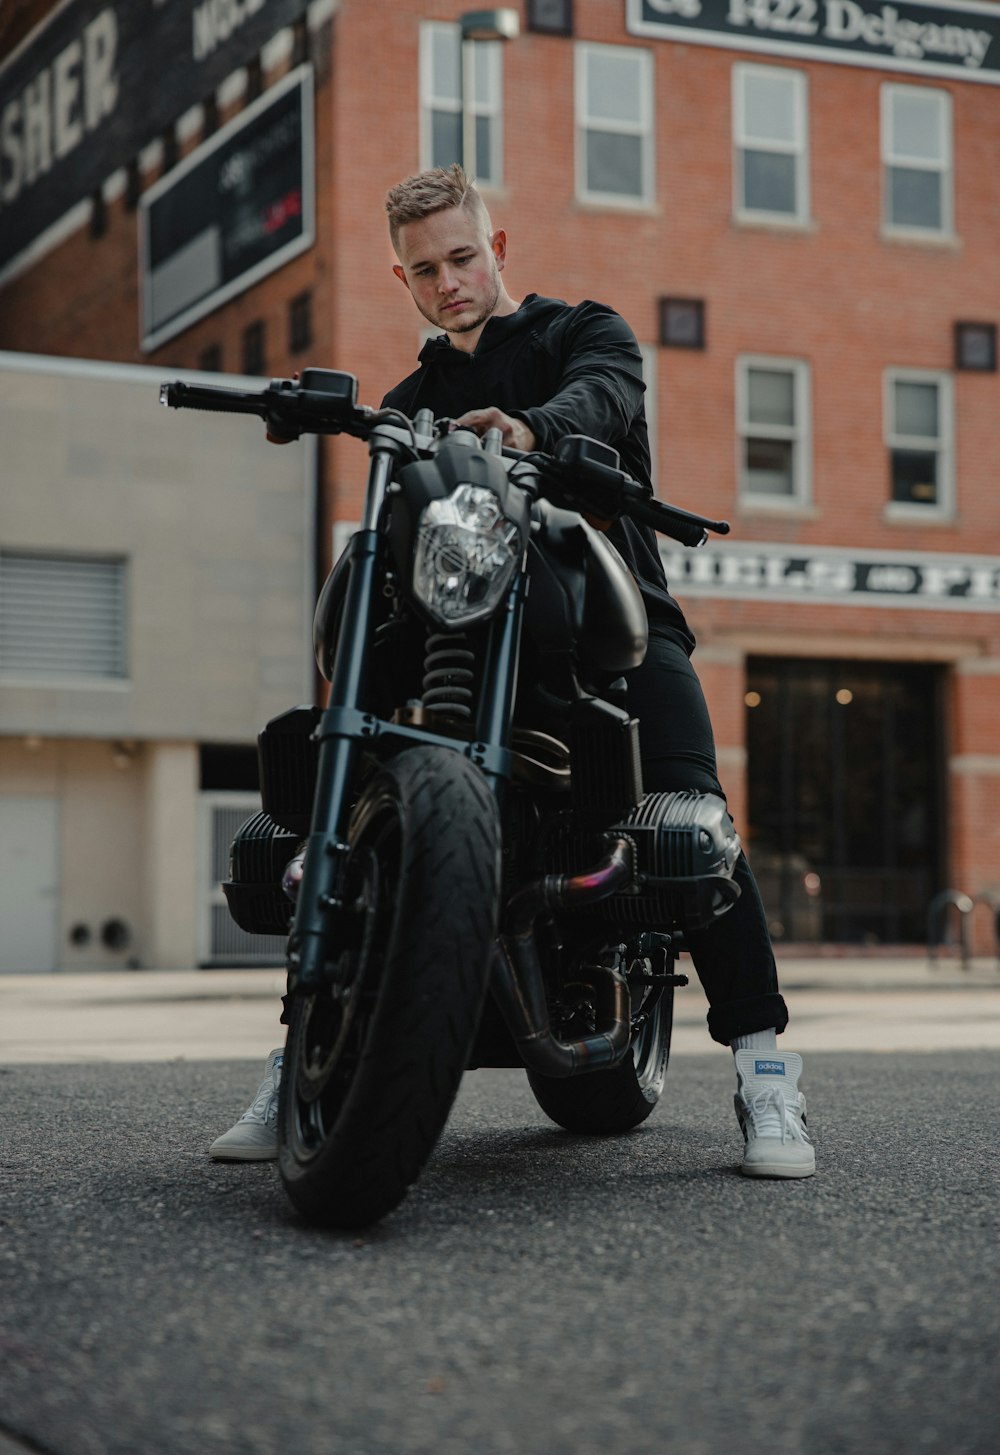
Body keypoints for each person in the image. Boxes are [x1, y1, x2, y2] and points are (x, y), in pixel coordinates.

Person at [210, 165, 815, 1179]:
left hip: (604, 623)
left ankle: (764, 1071)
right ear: (399, 279)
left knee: (692, 814)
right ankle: (306, 1042)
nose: (447, 281)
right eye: (423, 269)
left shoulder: (586, 334)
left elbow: (603, 395)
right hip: (462, 635)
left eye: (460, 257)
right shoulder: (411, 399)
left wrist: (533, 430)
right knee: (355, 697)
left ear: (498, 249)